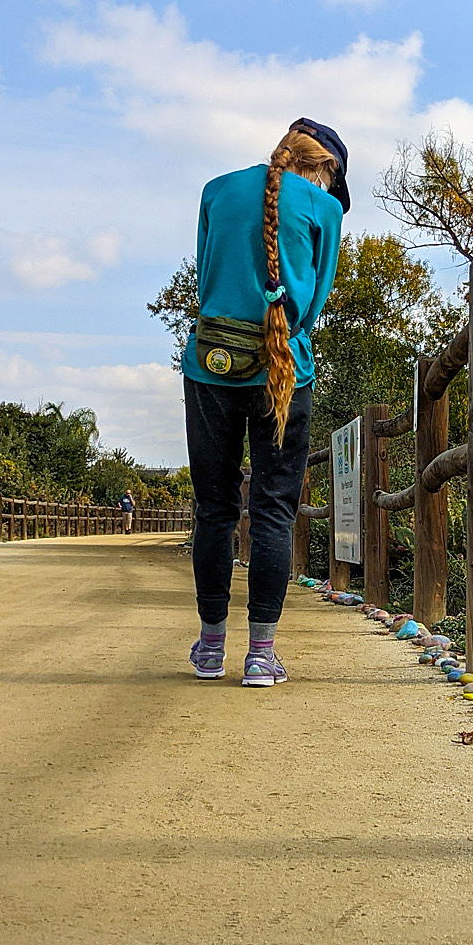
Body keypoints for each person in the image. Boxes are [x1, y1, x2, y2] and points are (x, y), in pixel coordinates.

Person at [182, 118, 348, 685]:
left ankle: (209, 647)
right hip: (284, 370)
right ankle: (260, 656)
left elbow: (205, 282)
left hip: (211, 365)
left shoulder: (215, 189)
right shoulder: (325, 210)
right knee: (274, 510)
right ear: (323, 169)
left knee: (214, 508)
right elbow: (316, 298)